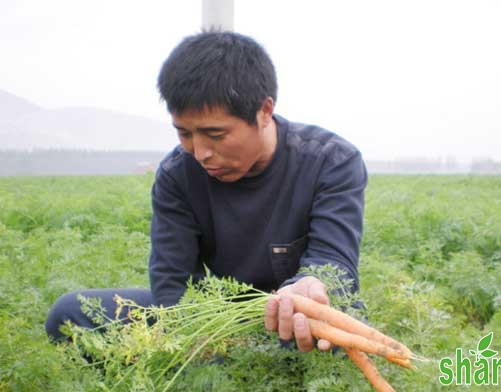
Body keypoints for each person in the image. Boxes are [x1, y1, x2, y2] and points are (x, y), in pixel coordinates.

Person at [45, 31, 367, 353]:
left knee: (332, 336)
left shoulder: (330, 160)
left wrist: (308, 287)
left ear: (264, 111)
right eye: (185, 133)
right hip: (218, 319)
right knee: (72, 313)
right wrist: (200, 339)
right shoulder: (178, 174)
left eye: (215, 134)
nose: (200, 153)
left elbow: (335, 263)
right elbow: (173, 283)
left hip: (300, 317)